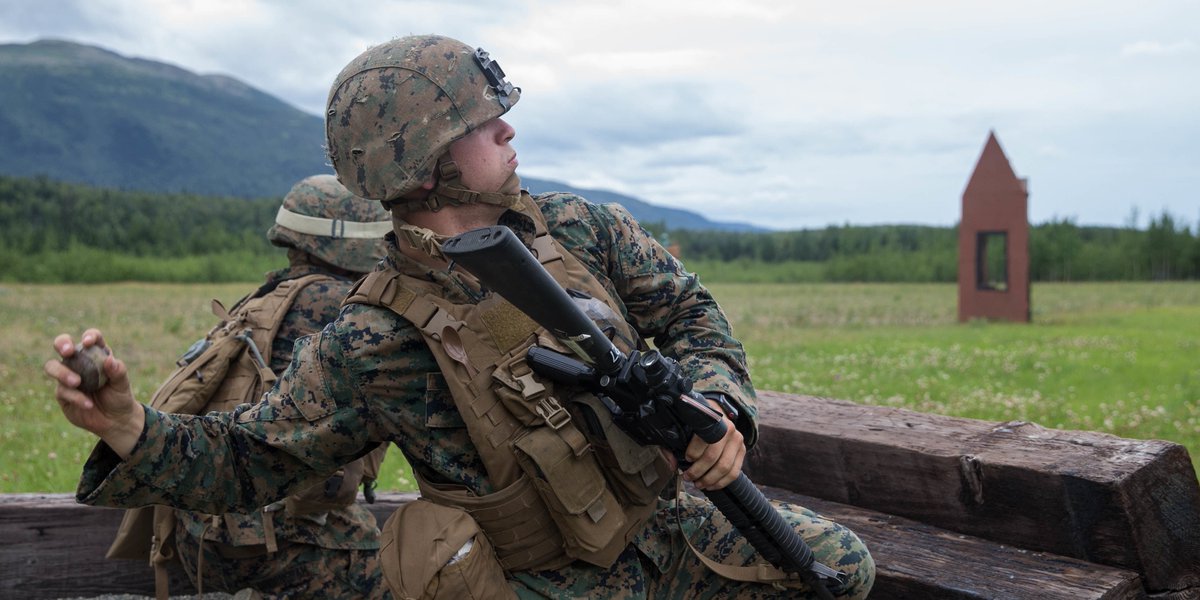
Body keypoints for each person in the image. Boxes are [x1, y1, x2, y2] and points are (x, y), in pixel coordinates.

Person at [46, 35, 875, 599]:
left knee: (841, 569)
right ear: (425, 160)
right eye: (484, 123)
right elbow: (243, 463)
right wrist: (128, 425)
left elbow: (694, 316)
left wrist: (718, 407)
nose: (509, 128)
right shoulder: (372, 337)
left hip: (666, 523)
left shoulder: (579, 228)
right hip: (539, 579)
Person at [105, 174, 393, 599]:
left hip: (203, 537)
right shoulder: (345, 308)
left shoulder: (262, 300)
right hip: (289, 539)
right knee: (411, 571)